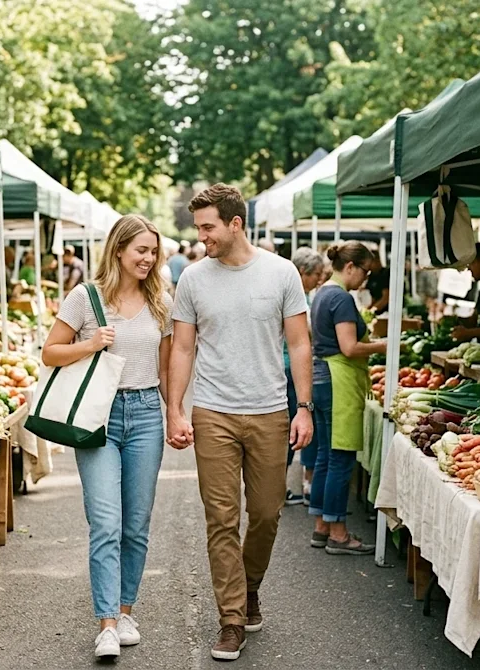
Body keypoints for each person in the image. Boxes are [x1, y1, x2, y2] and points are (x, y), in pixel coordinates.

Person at [167, 183, 313, 662]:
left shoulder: (280, 272)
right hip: (213, 411)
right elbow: (183, 347)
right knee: (222, 518)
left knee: (268, 513)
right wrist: (176, 408)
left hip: (270, 410)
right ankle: (231, 618)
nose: (201, 235)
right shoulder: (192, 279)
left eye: (208, 226)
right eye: (198, 227)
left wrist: (304, 407)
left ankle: (250, 585)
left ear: (235, 223)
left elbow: (298, 344)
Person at [41, 215, 173, 661]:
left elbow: (169, 365)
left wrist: (174, 414)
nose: (148, 259)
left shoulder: (160, 301)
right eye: (141, 250)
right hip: (97, 417)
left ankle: (126, 609)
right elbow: (50, 352)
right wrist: (91, 343)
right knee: (105, 522)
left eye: (153, 252)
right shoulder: (85, 298)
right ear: (118, 250)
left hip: (146, 414)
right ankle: (107, 625)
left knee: (136, 524)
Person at [309, 242, 385, 555]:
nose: (366, 278)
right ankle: (338, 534)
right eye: (365, 271)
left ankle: (321, 527)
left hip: (322, 378)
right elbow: (350, 347)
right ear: (350, 266)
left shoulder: (322, 292)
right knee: (341, 458)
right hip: (338, 379)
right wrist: (384, 346)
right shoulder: (340, 297)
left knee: (327, 455)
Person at [285, 247, 327, 505]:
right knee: (289, 428)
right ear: (303, 273)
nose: (320, 279)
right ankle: (278, 488)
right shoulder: (295, 296)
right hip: (290, 370)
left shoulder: (305, 295)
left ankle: (280, 487)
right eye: (316, 275)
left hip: (291, 368)